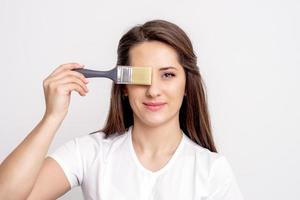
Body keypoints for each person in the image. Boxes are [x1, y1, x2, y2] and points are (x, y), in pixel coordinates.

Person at [0, 19, 244, 199]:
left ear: (187, 84)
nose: (153, 90)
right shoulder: (90, 153)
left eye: (168, 75)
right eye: (141, 77)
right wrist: (52, 117)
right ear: (124, 87)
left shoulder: (212, 170)